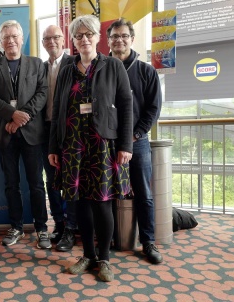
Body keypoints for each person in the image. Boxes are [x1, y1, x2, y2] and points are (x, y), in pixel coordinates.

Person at [48, 15, 133, 282]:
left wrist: (125, 144)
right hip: (73, 145)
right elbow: (58, 110)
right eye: (78, 35)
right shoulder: (66, 71)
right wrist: (54, 147)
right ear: (72, 41)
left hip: (103, 144)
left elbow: (126, 106)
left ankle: (105, 259)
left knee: (103, 204)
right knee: (80, 203)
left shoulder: (113, 66)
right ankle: (87, 255)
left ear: (98, 38)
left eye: (89, 34)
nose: (84, 39)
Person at [0, 20, 51, 249]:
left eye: (14, 36)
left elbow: (42, 93)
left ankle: (42, 228)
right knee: (11, 184)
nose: (10, 40)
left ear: (22, 39)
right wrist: (13, 115)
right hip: (5, 133)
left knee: (36, 184)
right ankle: (16, 227)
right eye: (6, 37)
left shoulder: (36, 64)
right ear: (0, 41)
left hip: (31, 133)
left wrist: (23, 117)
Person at [107, 18, 163, 264]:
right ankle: (107, 238)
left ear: (132, 39)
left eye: (124, 36)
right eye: (114, 36)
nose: (119, 40)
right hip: (107, 141)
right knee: (105, 192)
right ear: (108, 41)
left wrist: (136, 134)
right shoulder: (101, 70)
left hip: (137, 141)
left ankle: (148, 242)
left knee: (143, 192)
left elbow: (153, 109)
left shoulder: (146, 71)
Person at [41, 25, 78, 251]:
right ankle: (59, 224)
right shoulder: (40, 67)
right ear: (43, 43)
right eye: (47, 38)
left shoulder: (74, 63)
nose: (52, 41)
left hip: (71, 130)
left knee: (71, 179)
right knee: (52, 180)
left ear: (64, 40)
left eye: (56, 37)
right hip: (46, 130)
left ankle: (72, 228)